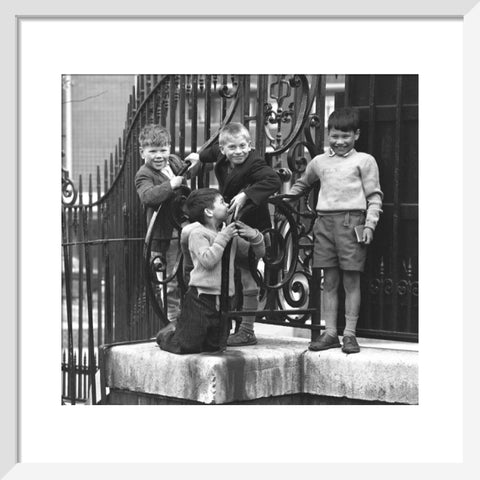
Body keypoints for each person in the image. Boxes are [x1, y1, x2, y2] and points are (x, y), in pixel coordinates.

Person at [286, 107, 383, 354]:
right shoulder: (319, 162)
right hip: (324, 224)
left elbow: (374, 197)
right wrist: (285, 199)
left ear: (356, 135)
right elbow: (302, 184)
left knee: (351, 280)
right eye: (335, 136)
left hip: (352, 224)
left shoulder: (364, 161)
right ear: (328, 135)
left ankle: (349, 334)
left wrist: (370, 224)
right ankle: (330, 333)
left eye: (345, 136)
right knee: (328, 281)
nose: (340, 142)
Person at [188, 123, 281, 346]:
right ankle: (226, 325)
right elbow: (210, 153)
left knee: (248, 276)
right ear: (223, 149)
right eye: (232, 147)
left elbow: (274, 180)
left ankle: (247, 330)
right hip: (231, 225)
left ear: (249, 145)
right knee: (231, 276)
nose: (238, 151)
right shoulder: (221, 156)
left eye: (243, 146)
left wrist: (246, 194)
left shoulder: (254, 162)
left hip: (253, 228)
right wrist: (198, 156)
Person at [157, 188, 266, 354]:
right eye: (222, 202)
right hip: (201, 298)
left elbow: (257, 254)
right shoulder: (198, 234)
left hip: (224, 300)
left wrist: (255, 236)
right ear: (208, 212)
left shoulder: (228, 235)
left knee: (215, 345)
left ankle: (184, 330)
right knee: (187, 346)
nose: (227, 205)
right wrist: (224, 237)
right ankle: (167, 334)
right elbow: (208, 260)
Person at [134, 124, 199, 325]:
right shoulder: (144, 174)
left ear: (169, 148)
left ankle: (192, 315)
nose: (159, 155)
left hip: (185, 228)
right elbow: (148, 196)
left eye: (163, 150)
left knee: (189, 273)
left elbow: (186, 175)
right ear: (142, 152)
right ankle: (173, 321)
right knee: (170, 280)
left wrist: (195, 163)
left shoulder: (173, 161)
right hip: (165, 235)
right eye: (152, 151)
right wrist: (171, 185)